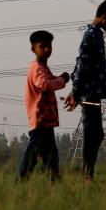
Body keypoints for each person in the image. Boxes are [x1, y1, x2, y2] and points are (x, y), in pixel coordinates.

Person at [64, 0, 106, 181]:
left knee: (96, 134)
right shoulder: (92, 35)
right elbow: (82, 66)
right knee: (93, 134)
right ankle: (87, 176)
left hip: (92, 92)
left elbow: (79, 62)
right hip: (89, 94)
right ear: (105, 17)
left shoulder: (96, 34)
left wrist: (74, 90)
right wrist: (75, 92)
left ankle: (88, 174)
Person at [18, 31, 70, 181]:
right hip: (40, 120)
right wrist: (62, 80)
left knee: (49, 155)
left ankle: (53, 182)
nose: (47, 49)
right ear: (33, 49)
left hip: (45, 121)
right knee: (33, 155)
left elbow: (50, 79)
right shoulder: (37, 68)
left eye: (49, 46)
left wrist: (61, 77)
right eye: (42, 46)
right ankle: (21, 181)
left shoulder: (42, 67)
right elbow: (45, 84)